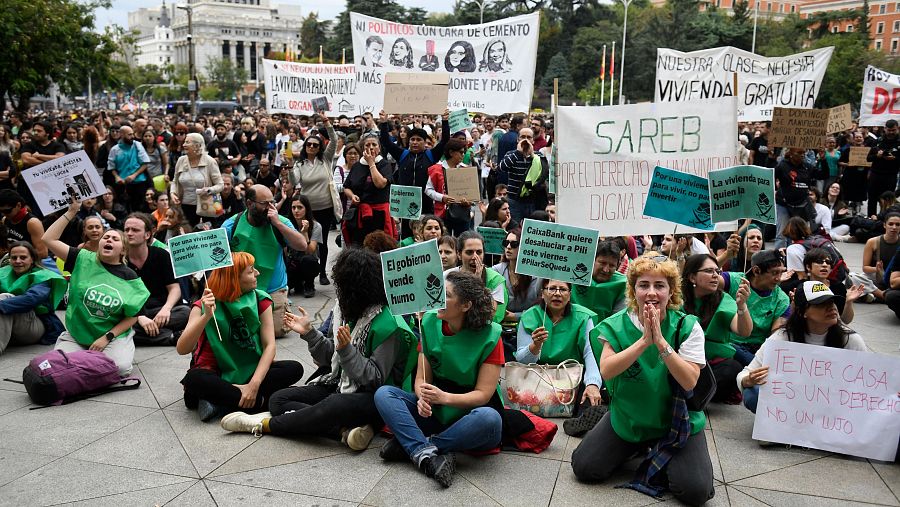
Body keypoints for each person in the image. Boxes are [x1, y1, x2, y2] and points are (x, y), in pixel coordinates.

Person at [220, 248, 416, 450]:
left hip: (372, 397)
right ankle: (342, 431)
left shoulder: (388, 324)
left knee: (333, 404)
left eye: (342, 286)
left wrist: (347, 350)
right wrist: (309, 333)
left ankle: (264, 425)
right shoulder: (345, 309)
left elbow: (374, 379)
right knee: (278, 400)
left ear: (358, 289)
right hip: (338, 381)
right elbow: (330, 359)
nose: (338, 291)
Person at [571, 255, 714, 505]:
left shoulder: (687, 326)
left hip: (677, 423)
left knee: (695, 492)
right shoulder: (614, 325)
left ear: (671, 292)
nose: (651, 292)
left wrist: (660, 342)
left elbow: (690, 380)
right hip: (630, 419)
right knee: (585, 468)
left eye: (659, 285)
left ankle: (660, 451)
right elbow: (607, 370)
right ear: (633, 290)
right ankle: (637, 447)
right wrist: (643, 342)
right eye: (643, 285)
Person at [374, 270, 503, 488]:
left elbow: (483, 395)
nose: (437, 297)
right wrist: (422, 395)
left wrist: (444, 398)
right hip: (435, 409)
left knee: (490, 419)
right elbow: (422, 377)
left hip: (469, 413)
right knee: (384, 394)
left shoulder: (492, 336)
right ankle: (427, 454)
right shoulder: (429, 322)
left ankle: (417, 447)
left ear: (466, 306)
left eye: (447, 295)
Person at [177, 252, 304, 421]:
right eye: (251, 271)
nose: (257, 273)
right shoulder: (203, 304)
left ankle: (221, 401)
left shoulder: (260, 299)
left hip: (249, 370)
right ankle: (260, 403)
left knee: (294, 368)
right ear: (234, 277)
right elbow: (183, 348)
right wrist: (206, 315)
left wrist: (253, 385)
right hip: (214, 372)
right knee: (194, 379)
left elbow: (269, 347)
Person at [42, 199, 150, 376]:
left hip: (110, 337)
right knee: (55, 367)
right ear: (99, 244)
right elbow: (48, 239)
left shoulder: (129, 276)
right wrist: (71, 212)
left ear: (123, 249)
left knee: (121, 368)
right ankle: (88, 361)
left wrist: (106, 338)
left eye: (115, 239)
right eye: (106, 237)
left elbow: (133, 317)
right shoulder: (81, 258)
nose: (109, 240)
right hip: (77, 333)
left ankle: (85, 360)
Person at [738, 281, 867, 414]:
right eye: (822, 304)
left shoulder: (850, 340)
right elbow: (745, 374)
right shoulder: (783, 338)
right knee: (753, 394)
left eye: (832, 302)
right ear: (802, 312)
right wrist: (748, 380)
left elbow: (867, 384)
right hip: (793, 406)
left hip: (834, 408)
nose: (831, 307)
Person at [517, 279, 605, 434]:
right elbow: (522, 359)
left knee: (592, 393)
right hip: (539, 374)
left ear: (570, 295)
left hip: (572, 376)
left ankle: (583, 420)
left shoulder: (584, 317)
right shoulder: (530, 316)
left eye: (563, 289)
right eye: (551, 289)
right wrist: (535, 347)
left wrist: (593, 384)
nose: (557, 293)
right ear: (542, 293)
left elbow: (589, 353)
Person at [223, 184, 307, 337]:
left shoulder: (280, 221)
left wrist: (278, 224)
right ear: (249, 204)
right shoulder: (231, 225)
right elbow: (219, 258)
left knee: (275, 331)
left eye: (272, 202)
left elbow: (302, 245)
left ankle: (282, 307)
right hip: (242, 290)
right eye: (264, 204)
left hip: (272, 290)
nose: (270, 207)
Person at [681, 254, 752, 404]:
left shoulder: (723, 299)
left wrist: (742, 306)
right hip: (683, 359)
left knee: (732, 369)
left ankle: (691, 397)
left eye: (717, 272)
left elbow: (744, 331)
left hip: (712, 363)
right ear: (692, 277)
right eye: (709, 271)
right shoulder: (676, 299)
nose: (715, 276)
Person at [124, 213, 190, 346]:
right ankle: (170, 337)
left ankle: (144, 334)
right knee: (118, 325)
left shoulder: (161, 255)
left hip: (160, 310)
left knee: (187, 312)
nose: (129, 233)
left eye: (135, 230)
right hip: (132, 315)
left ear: (147, 235)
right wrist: (139, 317)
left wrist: (166, 308)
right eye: (126, 230)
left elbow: (174, 288)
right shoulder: (120, 259)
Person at [288, 115, 337, 286]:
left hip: (325, 208)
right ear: (305, 146)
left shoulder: (326, 160)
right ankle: (306, 276)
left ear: (319, 148)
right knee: (306, 241)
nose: (311, 147)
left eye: (315, 145)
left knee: (322, 241)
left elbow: (334, 139)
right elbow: (294, 182)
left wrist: (327, 123)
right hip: (307, 210)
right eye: (309, 144)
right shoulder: (300, 164)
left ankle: (322, 272)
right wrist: (289, 166)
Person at [721, 250, 791, 366]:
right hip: (729, 344)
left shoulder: (782, 299)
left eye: (781, 273)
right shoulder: (733, 281)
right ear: (756, 271)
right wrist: (727, 253)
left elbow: (777, 337)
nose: (779, 278)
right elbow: (708, 280)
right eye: (774, 273)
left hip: (758, 350)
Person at [0, 241, 66, 353]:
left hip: (35, 326)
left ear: (32, 259)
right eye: (14, 258)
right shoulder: (3, 272)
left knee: (5, 298)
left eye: (23, 257)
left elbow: (31, 299)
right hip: (11, 326)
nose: (18, 261)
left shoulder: (42, 276)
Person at [341, 135, 395, 246]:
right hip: (360, 214)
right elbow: (346, 187)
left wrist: (371, 163)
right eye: (367, 145)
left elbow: (380, 184)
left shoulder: (384, 164)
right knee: (359, 245)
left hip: (379, 214)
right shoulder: (357, 166)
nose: (371, 147)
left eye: (374, 145)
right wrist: (352, 196)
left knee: (379, 246)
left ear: (379, 148)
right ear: (363, 148)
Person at [445, 231, 507, 323]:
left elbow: (489, 315)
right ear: (459, 254)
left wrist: (477, 284)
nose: (475, 257)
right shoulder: (447, 276)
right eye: (469, 252)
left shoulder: (496, 280)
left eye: (479, 252)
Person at [171, 132, 224, 226]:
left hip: (207, 206)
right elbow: (175, 181)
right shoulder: (181, 160)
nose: (183, 145)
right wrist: (173, 193)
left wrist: (209, 190)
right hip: (185, 206)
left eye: (187, 142)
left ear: (197, 146)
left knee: (207, 236)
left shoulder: (210, 161)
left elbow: (220, 185)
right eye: (184, 142)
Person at [497, 127, 548, 223]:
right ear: (518, 139)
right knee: (515, 228)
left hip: (533, 200)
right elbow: (501, 168)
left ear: (533, 141)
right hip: (514, 200)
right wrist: (518, 153)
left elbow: (543, 173)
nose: (526, 140)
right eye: (523, 137)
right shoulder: (511, 154)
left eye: (529, 137)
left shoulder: (538, 156)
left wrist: (532, 155)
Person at [426, 137, 475, 236]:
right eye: (461, 152)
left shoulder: (465, 169)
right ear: (451, 152)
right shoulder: (436, 169)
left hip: (462, 213)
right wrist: (442, 197)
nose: (463, 155)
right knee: (444, 243)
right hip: (442, 213)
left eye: (464, 152)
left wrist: (468, 201)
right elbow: (428, 190)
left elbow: (472, 193)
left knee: (462, 242)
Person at [571, 240, 628, 322]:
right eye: (602, 263)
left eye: (612, 265)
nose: (606, 270)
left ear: (617, 266)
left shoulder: (623, 284)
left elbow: (618, 318)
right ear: (592, 260)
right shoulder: (574, 274)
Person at [492, 228, 542, 319]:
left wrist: (516, 316)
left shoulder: (536, 275)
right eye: (506, 243)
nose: (509, 247)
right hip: (500, 324)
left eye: (514, 244)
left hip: (529, 324)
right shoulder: (496, 271)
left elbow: (540, 309)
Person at [774, 147, 816, 249]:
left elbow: (823, 174)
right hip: (784, 204)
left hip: (801, 205)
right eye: (799, 152)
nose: (802, 155)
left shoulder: (807, 167)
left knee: (800, 233)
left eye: (804, 153)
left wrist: (823, 160)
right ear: (791, 153)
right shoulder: (783, 165)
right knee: (782, 234)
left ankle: (797, 254)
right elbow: (771, 176)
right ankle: (778, 260)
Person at [284, 195, 321, 298]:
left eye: (300, 207)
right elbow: (285, 251)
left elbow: (310, 251)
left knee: (308, 260)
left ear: (306, 209)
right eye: (293, 207)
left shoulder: (316, 226)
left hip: (307, 262)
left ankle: (309, 285)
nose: (296, 211)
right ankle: (297, 283)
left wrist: (305, 233)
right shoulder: (287, 225)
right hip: (293, 263)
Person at [108, 125, 151, 213]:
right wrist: (117, 177)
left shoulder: (137, 145)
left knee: (140, 209)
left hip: (139, 182)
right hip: (123, 185)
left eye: (132, 134)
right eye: (129, 135)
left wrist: (134, 175)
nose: (132, 137)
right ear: (122, 135)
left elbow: (145, 163)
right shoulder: (114, 150)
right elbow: (111, 167)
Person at [860, 211, 900, 301]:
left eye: (897, 225)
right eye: (891, 224)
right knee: (852, 277)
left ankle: (872, 295)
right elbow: (865, 268)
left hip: (896, 278)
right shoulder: (872, 242)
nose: (894, 227)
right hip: (877, 276)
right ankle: (881, 295)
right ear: (884, 225)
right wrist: (877, 269)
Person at [0, 189, 50, 260]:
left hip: (31, 263)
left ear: (18, 205)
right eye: (1, 211)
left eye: (7, 211)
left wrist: (19, 258)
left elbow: (42, 253)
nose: (3, 214)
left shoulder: (32, 223)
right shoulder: (5, 219)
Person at [866, 119, 900, 217]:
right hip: (876, 175)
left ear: (897, 129)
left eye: (893, 130)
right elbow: (868, 158)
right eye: (889, 130)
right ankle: (870, 220)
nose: (891, 132)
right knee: (872, 200)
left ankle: (885, 220)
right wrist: (877, 156)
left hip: (891, 176)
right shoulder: (877, 141)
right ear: (885, 129)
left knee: (888, 201)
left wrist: (894, 158)